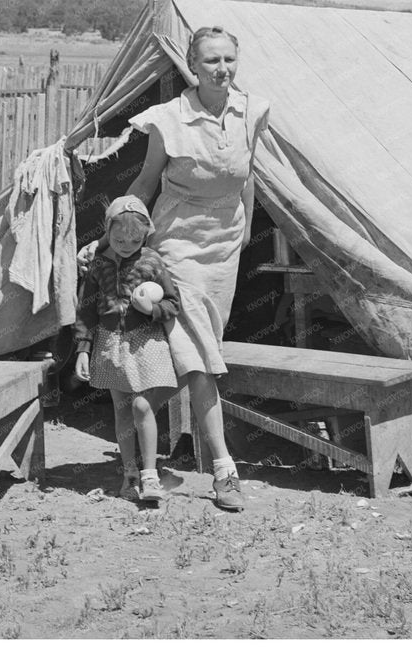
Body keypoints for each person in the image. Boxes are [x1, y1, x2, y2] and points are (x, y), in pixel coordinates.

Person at [125, 25, 270, 511]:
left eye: (229, 59)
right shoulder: (170, 119)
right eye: (211, 61)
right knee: (202, 349)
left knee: (199, 347)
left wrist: (245, 228)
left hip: (224, 245)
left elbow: (246, 175)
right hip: (177, 240)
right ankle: (225, 469)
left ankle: (142, 449)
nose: (222, 69)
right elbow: (146, 181)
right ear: (193, 65)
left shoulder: (251, 111)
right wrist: (120, 238)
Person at [73, 196, 182, 505]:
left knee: (143, 407)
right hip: (110, 343)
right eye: (119, 238)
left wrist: (152, 309)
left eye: (134, 239)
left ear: (145, 234)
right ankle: (129, 473)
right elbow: (86, 310)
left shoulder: (152, 262)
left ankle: (150, 475)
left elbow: (174, 302)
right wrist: (83, 348)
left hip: (145, 341)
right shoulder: (99, 266)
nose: (126, 244)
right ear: (108, 231)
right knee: (121, 410)